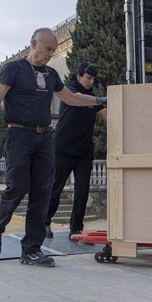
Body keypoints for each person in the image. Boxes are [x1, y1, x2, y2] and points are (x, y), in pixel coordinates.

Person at [0, 28, 106, 267]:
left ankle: (31, 250)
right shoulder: (14, 70)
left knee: (42, 193)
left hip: (45, 138)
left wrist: (99, 100)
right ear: (33, 43)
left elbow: (72, 97)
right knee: (17, 187)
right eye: (47, 49)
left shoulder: (51, 75)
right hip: (19, 135)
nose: (50, 54)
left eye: (53, 50)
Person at [45, 62, 106, 240]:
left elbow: (106, 116)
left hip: (84, 152)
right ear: (79, 77)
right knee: (55, 188)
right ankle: (45, 222)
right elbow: (76, 97)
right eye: (88, 77)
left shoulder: (94, 99)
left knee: (82, 191)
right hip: (63, 148)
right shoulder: (70, 91)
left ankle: (76, 229)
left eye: (93, 78)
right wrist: (98, 100)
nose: (91, 81)